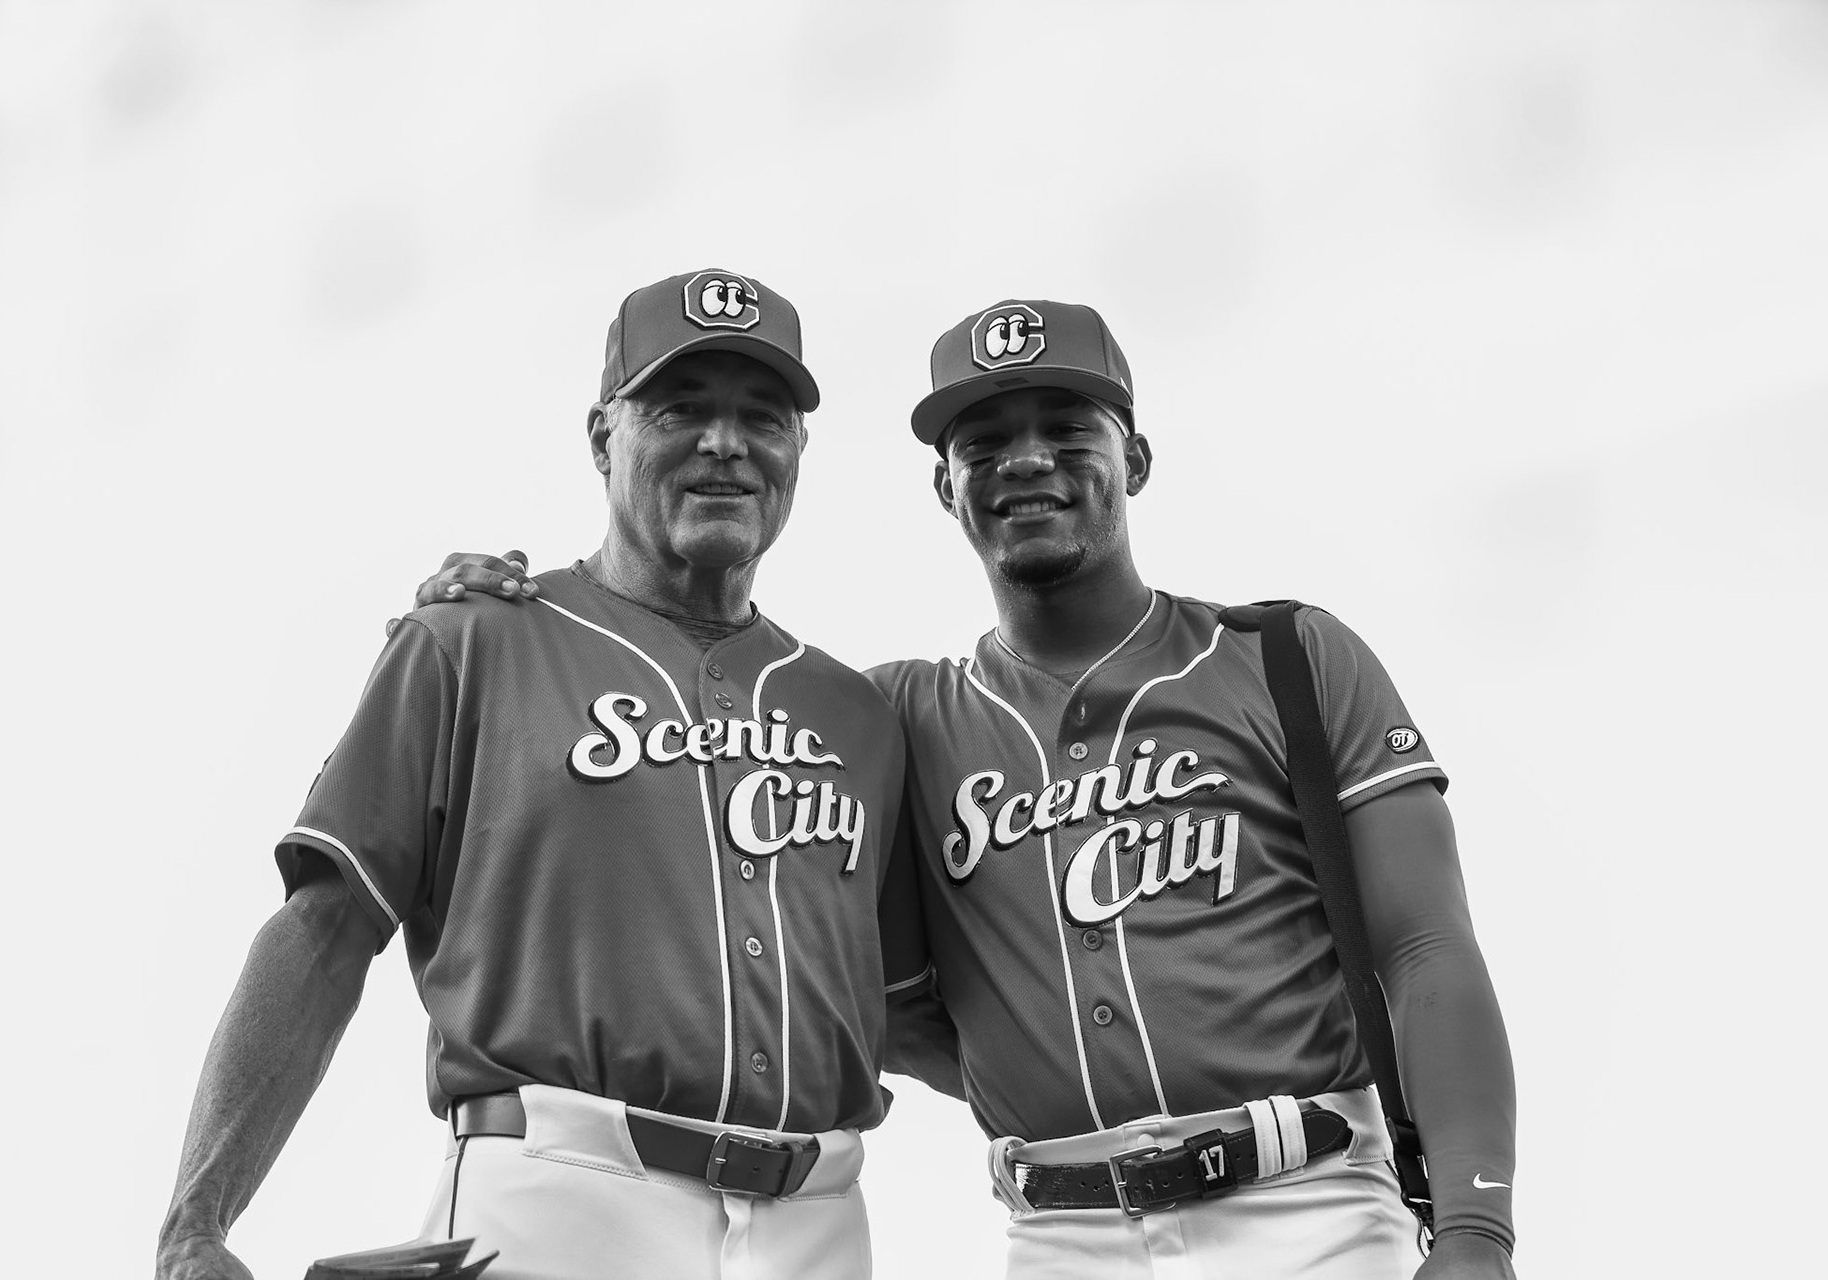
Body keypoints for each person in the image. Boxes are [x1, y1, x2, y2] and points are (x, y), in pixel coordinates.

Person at [412, 297, 1518, 1280]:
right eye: (984, 442)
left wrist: (1475, 1227)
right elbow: (879, 991)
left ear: (1135, 458)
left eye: (1067, 430)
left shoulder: (1285, 658)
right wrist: (500, 616)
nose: (1027, 461)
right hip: (1062, 1233)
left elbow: (1424, 948)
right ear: (945, 486)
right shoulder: (900, 718)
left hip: (1312, 1206)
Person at [155, 269, 909, 1280]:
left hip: (819, 1222)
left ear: (799, 449)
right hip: (558, 1197)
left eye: (762, 416)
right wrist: (196, 1220)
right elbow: (324, 929)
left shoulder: (857, 714)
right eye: (681, 407)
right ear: (602, 437)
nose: (725, 442)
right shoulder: (472, 639)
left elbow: (924, 1006)